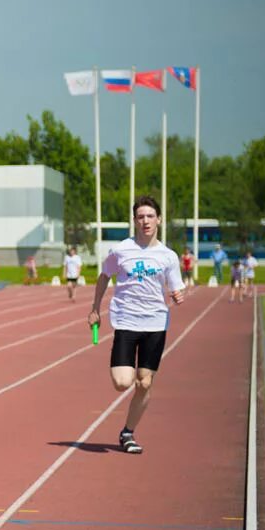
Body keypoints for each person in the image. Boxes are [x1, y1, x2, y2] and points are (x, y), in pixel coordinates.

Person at [86, 195, 186, 455]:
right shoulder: (120, 251)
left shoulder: (168, 256)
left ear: (159, 220)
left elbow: (177, 289)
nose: (145, 221)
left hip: (155, 323)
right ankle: (128, 414)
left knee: (144, 383)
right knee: (122, 382)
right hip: (127, 321)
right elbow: (104, 276)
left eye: (150, 216)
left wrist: (178, 295)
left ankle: (127, 432)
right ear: (134, 221)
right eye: (140, 217)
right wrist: (95, 308)